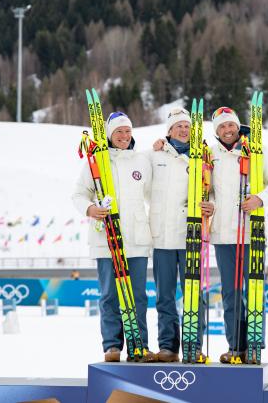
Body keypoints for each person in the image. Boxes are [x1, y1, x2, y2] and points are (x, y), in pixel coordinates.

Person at [72, 111, 156, 363]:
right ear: (109, 134)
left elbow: (155, 194)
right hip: (106, 239)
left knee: (138, 295)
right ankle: (112, 345)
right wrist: (90, 209)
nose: (124, 135)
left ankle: (138, 344)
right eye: (118, 131)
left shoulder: (142, 160)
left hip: (136, 239)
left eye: (127, 131)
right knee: (109, 295)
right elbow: (78, 194)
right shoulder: (96, 161)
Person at [206, 106, 268, 363]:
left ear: (237, 126)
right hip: (224, 236)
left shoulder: (256, 149)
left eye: (231, 125)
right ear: (216, 131)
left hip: (251, 234)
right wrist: (207, 203)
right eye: (222, 127)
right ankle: (235, 346)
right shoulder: (210, 154)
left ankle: (253, 344)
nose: (227, 130)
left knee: (253, 291)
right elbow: (206, 187)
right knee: (230, 293)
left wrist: (259, 199)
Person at [149, 107, 211, 363]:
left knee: (194, 294)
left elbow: (214, 189)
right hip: (162, 238)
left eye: (187, 126)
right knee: (164, 295)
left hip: (191, 235)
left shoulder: (205, 156)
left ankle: (193, 345)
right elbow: (138, 182)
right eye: (178, 126)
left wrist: (212, 204)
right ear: (169, 130)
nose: (184, 130)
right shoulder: (155, 156)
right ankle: (168, 347)